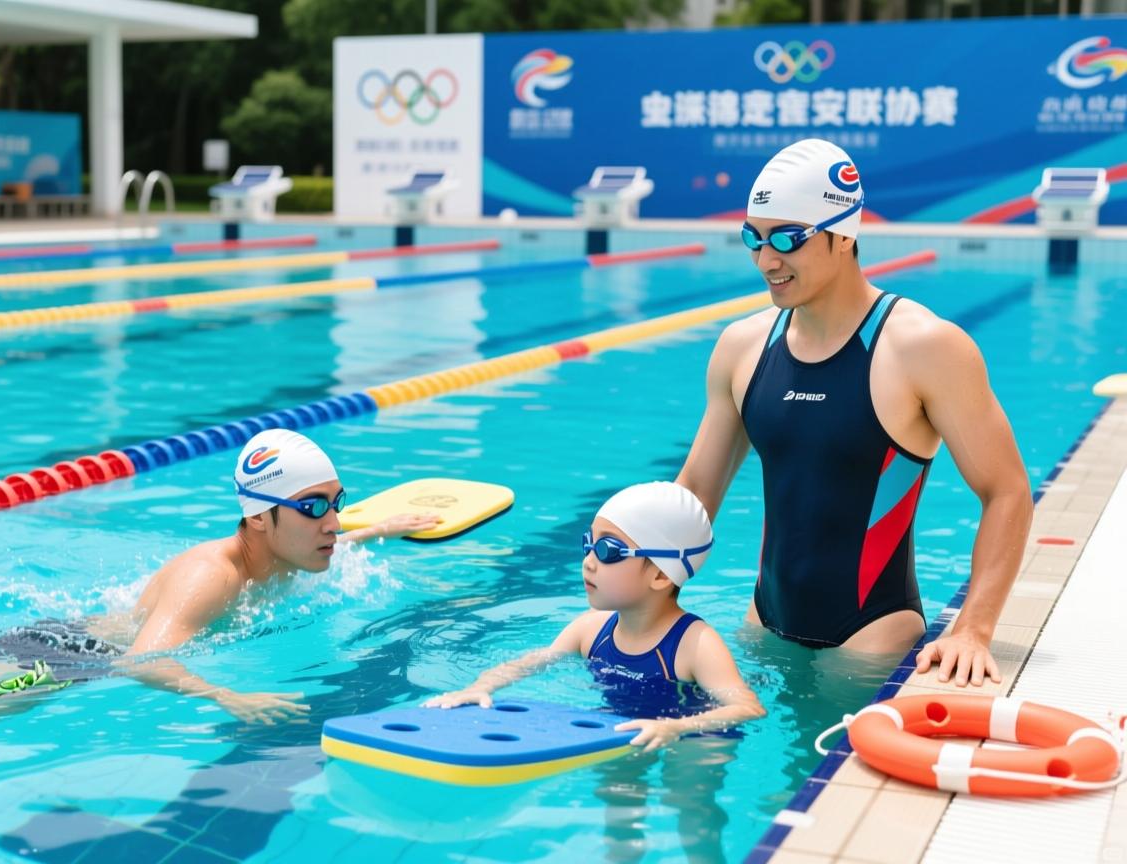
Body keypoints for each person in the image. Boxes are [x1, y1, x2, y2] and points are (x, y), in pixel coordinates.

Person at [676, 138, 1033, 686]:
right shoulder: (742, 347)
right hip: (762, 627)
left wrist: (972, 630)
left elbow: (1006, 491)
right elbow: (697, 490)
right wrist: (639, 596)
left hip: (871, 641)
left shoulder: (923, 347)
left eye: (788, 239)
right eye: (754, 238)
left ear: (843, 235)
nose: (767, 260)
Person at [0, 429, 440, 724]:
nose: (334, 524)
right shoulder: (210, 577)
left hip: (86, 648)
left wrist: (379, 530)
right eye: (314, 507)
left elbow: (324, 541)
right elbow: (142, 661)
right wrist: (226, 696)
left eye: (336, 503)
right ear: (258, 516)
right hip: (66, 654)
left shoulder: (285, 551)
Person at [425, 481, 765, 750]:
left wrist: (676, 728)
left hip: (696, 735)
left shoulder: (694, 644)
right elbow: (529, 662)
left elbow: (747, 708)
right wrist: (479, 687)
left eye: (608, 550)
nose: (588, 561)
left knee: (688, 796)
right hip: (622, 725)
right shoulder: (590, 630)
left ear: (661, 575)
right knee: (617, 793)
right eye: (589, 544)